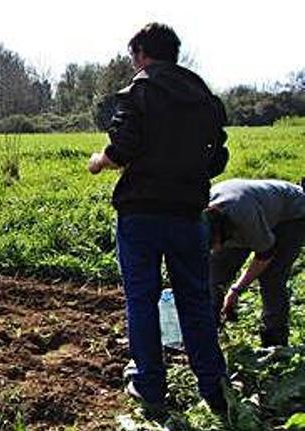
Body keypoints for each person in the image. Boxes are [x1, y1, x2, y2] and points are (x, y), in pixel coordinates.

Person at [87, 23, 230, 416]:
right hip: (188, 213)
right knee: (196, 300)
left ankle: (150, 387)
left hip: (141, 213)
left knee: (142, 299)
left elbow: (122, 149)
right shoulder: (204, 98)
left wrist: (98, 161)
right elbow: (218, 158)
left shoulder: (140, 90)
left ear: (141, 54)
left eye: (134, 57)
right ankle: (214, 387)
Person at [206, 178, 305, 347]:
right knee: (215, 273)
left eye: (213, 245)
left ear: (220, 233)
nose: (214, 250)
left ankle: (275, 341)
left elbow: (265, 254)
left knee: (271, 277)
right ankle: (209, 331)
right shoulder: (201, 218)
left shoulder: (244, 218)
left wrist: (236, 289)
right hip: (252, 208)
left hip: (292, 215)